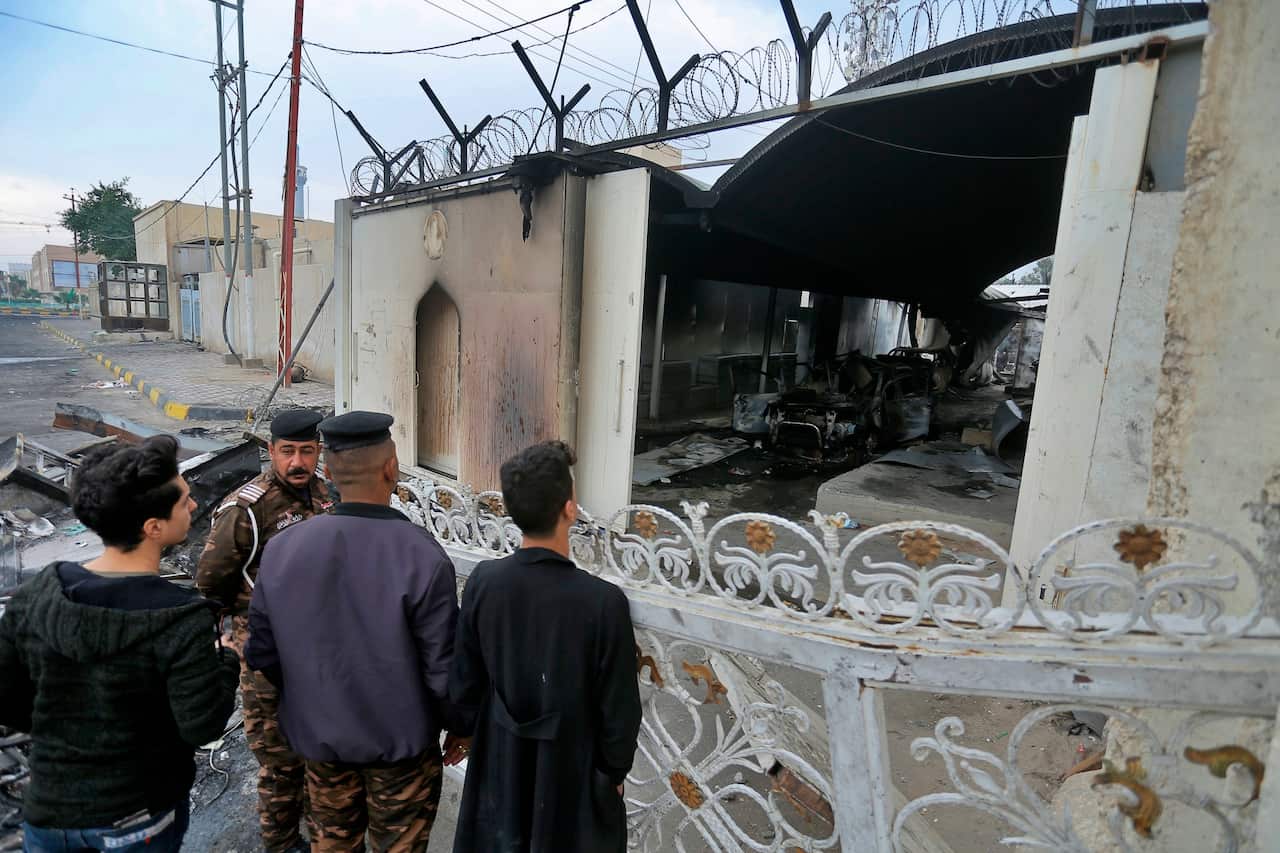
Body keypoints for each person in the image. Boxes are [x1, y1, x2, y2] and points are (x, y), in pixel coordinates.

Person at [0, 436, 240, 853]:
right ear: (153, 527)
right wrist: (228, 660)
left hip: (49, 815)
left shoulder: (42, 589)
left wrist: (69, 730)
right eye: (184, 501)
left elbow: (6, 698)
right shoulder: (180, 618)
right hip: (136, 820)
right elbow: (201, 725)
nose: (195, 507)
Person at [244, 411, 466, 853]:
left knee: (332, 845)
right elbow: (442, 667)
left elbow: (263, 655)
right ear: (391, 468)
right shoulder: (421, 555)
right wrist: (462, 724)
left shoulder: (284, 549)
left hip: (321, 747)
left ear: (326, 471)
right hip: (401, 754)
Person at [449, 440, 642, 853]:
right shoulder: (603, 603)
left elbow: (465, 675)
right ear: (570, 509)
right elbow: (619, 708)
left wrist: (462, 730)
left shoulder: (485, 582)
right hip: (572, 774)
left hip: (501, 762)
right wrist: (613, 771)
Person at [196, 408, 329, 853]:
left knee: (320, 754)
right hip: (266, 656)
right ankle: (282, 844)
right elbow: (211, 582)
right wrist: (239, 628)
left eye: (306, 451)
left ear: (318, 452)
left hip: (320, 652)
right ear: (271, 451)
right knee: (279, 762)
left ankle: (323, 839)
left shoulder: (326, 494)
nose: (298, 462)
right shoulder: (246, 509)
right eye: (287, 451)